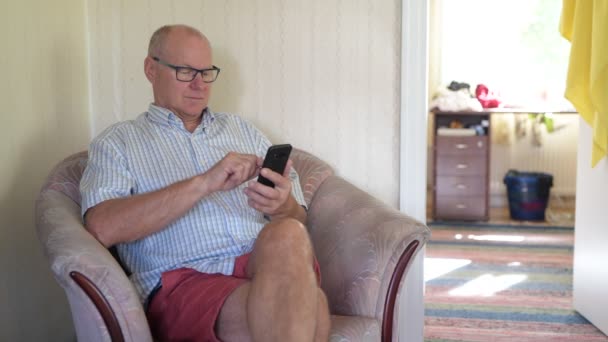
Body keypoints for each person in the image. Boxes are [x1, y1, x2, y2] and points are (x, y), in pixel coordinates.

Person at [80, 24, 330, 342]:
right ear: (150, 69)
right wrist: (204, 182)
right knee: (312, 310)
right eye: (185, 71)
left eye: (206, 72)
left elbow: (299, 217)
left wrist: (284, 206)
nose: (199, 85)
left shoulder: (243, 130)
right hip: (187, 279)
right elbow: (102, 227)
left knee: (288, 231)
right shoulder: (118, 142)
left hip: (266, 263)